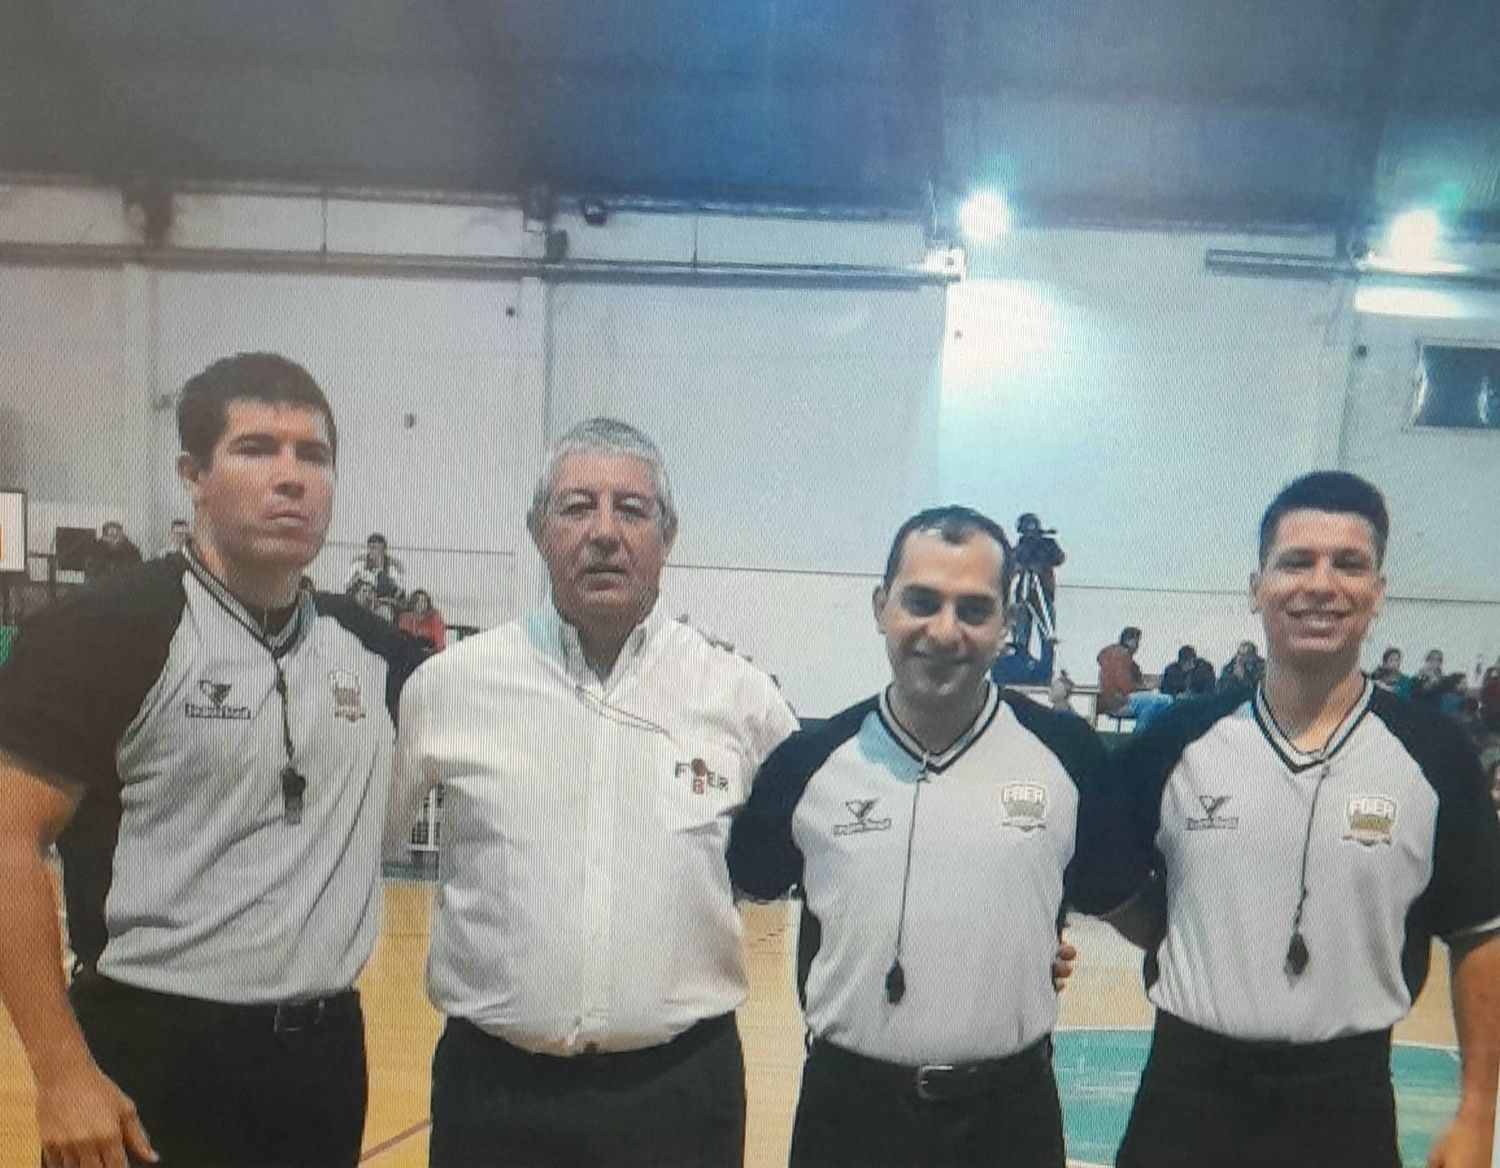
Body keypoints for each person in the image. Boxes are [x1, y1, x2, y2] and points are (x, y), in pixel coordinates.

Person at [0, 352, 426, 1168]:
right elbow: (9, 842)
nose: (292, 477)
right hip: (149, 1047)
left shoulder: (369, 648)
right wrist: (60, 1072)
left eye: (315, 455)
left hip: (323, 1057)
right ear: (194, 474)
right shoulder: (105, 631)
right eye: (257, 449)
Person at [384, 417, 799, 1168]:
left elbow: (839, 862)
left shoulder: (743, 698)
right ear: (540, 531)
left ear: (667, 535)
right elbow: (350, 850)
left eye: (631, 510)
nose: (605, 532)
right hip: (494, 1096)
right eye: (578, 507)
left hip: (681, 1096)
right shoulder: (450, 687)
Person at [1111, 471, 1500, 1168]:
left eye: (1348, 564)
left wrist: (1478, 1115)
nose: (1321, 584)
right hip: (1188, 1094)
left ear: (1378, 593)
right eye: (1296, 562)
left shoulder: (1436, 756)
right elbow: (1099, 873)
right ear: (1257, 585)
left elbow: (1480, 933)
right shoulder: (1175, 742)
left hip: (1345, 1103)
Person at [726, 505, 1128, 1168]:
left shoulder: (1070, 758)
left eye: (974, 609)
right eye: (921, 601)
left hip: (1010, 1118)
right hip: (849, 1116)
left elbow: (1116, 897)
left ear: (1005, 624)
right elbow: (746, 883)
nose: (944, 631)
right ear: (882, 606)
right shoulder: (809, 762)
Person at [1008, 512, 1065, 666]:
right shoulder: (1020, 546)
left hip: (1043, 594)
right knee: (1021, 632)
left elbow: (1059, 558)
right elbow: (1012, 566)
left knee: (1047, 633)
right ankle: (1020, 665)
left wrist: (1042, 549)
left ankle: (1045, 668)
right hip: (1023, 596)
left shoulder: (1047, 544)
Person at [1097, 627, 1173, 730]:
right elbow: (1125, 686)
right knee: (1163, 701)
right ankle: (1140, 735)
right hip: (1119, 701)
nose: (1138, 645)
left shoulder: (1120, 656)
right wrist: (1146, 687)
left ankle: (1144, 733)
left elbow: (1132, 679)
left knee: (1159, 701)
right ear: (1128, 640)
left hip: (1115, 700)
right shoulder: (1120, 656)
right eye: (1136, 641)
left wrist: (1149, 682)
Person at [343, 531, 405, 601]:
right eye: (371, 548)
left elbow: (400, 587)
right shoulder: (359, 564)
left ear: (384, 550)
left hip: (382, 601)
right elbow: (347, 583)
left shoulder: (391, 568)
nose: (373, 551)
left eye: (376, 548)